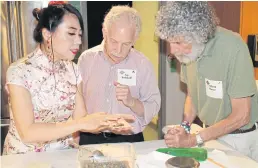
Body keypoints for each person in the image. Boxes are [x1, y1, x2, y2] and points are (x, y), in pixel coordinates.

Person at [3, 2, 134, 155]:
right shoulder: (19, 71)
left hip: (62, 156)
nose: (78, 41)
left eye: (79, 34)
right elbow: (28, 132)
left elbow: (80, 116)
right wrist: (80, 123)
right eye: (71, 34)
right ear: (47, 35)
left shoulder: (72, 69)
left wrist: (106, 122)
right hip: (24, 159)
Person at [155, 1, 258, 161]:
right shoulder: (189, 51)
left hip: (239, 139)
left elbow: (242, 116)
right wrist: (185, 126)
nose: (173, 51)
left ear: (199, 35)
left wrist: (194, 140)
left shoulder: (233, 48)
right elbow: (192, 95)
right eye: (170, 42)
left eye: (178, 42)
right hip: (208, 135)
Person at [78, 5, 161, 145]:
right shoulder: (86, 60)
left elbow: (153, 106)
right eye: (113, 41)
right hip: (90, 138)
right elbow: (76, 102)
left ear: (135, 39)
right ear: (104, 32)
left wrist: (132, 102)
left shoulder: (142, 64)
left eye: (126, 44)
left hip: (129, 139)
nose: (118, 50)